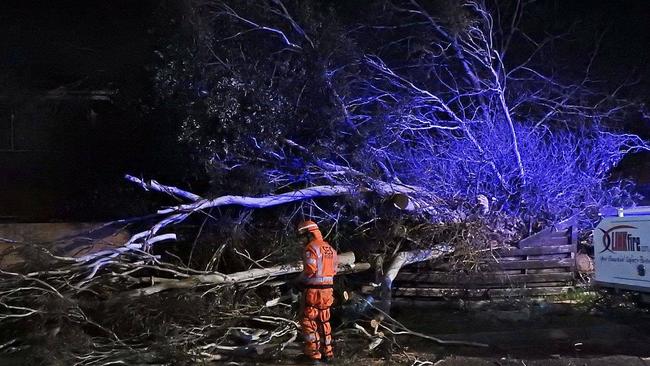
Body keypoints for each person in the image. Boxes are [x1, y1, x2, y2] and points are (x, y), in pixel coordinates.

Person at [296, 220, 338, 363]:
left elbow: (310, 270)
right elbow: (334, 270)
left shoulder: (311, 248)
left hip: (314, 291)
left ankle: (314, 355)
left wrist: (298, 282)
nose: (301, 240)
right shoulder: (330, 249)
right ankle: (328, 354)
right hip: (328, 291)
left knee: (308, 320)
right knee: (324, 320)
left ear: (309, 234)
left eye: (302, 236)